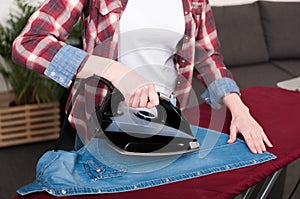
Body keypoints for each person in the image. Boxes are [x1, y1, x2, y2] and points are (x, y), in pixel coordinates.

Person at [12, 0, 272, 154]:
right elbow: (29, 43)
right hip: (97, 128)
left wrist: (239, 110)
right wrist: (119, 73)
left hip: (165, 125)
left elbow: (208, 57)